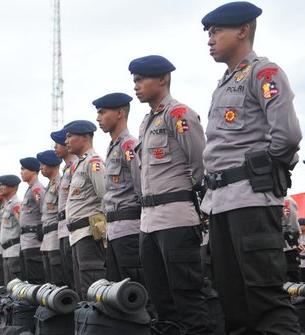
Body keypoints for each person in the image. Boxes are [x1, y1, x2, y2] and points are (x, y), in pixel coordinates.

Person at [200, 2, 302, 333]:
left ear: (243, 31)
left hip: (252, 201)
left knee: (265, 300)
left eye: (216, 32)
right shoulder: (224, 83)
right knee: (233, 302)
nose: (210, 40)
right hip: (221, 203)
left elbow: (286, 136)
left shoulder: (264, 73)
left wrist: (262, 171)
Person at [130, 54, 211, 334]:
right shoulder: (146, 122)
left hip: (176, 218)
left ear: (162, 79)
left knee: (187, 296)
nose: (136, 86)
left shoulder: (179, 114)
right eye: (135, 80)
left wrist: (191, 195)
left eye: (141, 79)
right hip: (148, 222)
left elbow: (201, 162)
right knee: (161, 300)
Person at [94, 92, 146, 286]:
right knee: (118, 291)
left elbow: (141, 184)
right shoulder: (113, 147)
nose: (98, 118)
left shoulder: (129, 145)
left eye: (102, 112)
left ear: (119, 113)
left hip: (130, 229)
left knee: (134, 289)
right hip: (115, 231)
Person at [63, 120, 107, 299]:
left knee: (92, 286)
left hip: (89, 233)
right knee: (82, 288)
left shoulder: (93, 162)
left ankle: (98, 325)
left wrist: (103, 230)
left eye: (70, 136)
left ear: (84, 137)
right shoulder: (79, 165)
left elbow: (105, 196)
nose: (66, 141)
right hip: (77, 235)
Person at [53, 127, 78, 289]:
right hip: (63, 227)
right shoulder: (67, 169)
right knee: (68, 273)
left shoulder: (77, 165)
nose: (55, 148)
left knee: (77, 274)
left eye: (57, 144)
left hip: (74, 226)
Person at [37, 149, 65, 284]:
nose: (40, 167)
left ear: (51, 164)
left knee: (58, 280)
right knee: (50, 281)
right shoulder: (49, 186)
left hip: (56, 237)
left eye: (43, 164)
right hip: (47, 239)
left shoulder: (60, 183)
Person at [18, 157, 46, 284]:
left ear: (33, 171)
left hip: (34, 241)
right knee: (28, 279)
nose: (21, 172)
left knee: (36, 279)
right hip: (26, 242)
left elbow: (45, 210)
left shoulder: (37, 189)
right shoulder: (29, 190)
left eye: (23, 169)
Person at [0, 174, 23, 284]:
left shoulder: (16, 204)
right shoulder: (7, 205)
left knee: (15, 285)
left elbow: (22, 224)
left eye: (4, 185)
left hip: (14, 251)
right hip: (7, 252)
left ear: (13, 187)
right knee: (8, 285)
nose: (1, 187)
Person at [281, 196, 301, 282]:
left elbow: (293, 228)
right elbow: (293, 228)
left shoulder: (286, 201)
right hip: (284, 246)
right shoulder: (284, 200)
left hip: (286, 246)